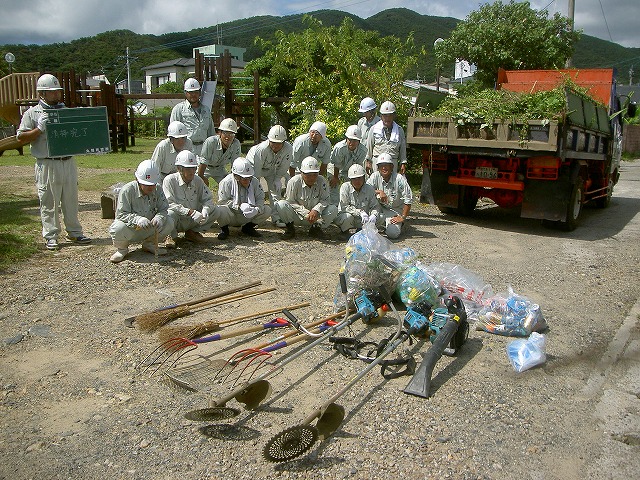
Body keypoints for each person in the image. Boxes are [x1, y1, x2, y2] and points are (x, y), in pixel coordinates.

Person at [16, 73, 91, 251]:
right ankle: (51, 235)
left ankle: (74, 231)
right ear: (42, 93)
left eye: (58, 91)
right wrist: (39, 129)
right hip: (47, 162)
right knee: (49, 200)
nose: (57, 95)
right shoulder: (32, 113)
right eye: (52, 92)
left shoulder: (64, 111)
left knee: (71, 199)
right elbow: (21, 138)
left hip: (68, 161)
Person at [108, 160, 174, 263]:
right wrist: (137, 219)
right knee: (117, 227)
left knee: (169, 221)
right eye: (146, 184)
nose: (150, 187)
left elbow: (163, 209)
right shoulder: (127, 190)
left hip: (150, 227)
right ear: (137, 180)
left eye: (153, 184)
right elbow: (121, 214)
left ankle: (150, 244)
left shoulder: (158, 189)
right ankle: (122, 249)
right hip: (131, 228)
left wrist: (159, 218)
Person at [162, 150, 220, 246]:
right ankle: (170, 236)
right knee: (169, 213)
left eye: (194, 168)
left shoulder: (198, 180)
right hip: (178, 219)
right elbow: (168, 204)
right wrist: (190, 212)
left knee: (216, 211)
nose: (192, 172)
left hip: (193, 219)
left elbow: (208, 199)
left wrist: (205, 210)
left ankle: (192, 233)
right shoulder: (169, 181)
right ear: (179, 169)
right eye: (188, 169)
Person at [275, 157, 337, 240]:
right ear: (301, 173)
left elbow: (325, 200)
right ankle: (290, 228)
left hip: (315, 217)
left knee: (333, 209)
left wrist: (316, 210)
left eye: (314, 174)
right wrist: (306, 213)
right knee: (281, 204)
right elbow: (290, 201)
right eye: (308, 175)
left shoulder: (322, 181)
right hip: (297, 215)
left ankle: (315, 229)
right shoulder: (293, 181)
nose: (311, 178)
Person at [246, 125, 292, 227]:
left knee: (275, 192)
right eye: (273, 143)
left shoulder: (288, 149)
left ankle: (277, 217)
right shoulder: (261, 149)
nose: (275, 146)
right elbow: (257, 172)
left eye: (278, 143)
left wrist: (277, 179)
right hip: (253, 167)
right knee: (252, 192)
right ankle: (252, 218)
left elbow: (284, 165)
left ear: (283, 142)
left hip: (271, 169)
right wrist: (256, 185)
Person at [216, 157, 272, 239]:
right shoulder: (227, 182)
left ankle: (248, 227)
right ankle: (224, 229)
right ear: (236, 176)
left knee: (267, 210)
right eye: (244, 178)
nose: (247, 181)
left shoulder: (254, 181)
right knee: (220, 209)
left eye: (249, 177)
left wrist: (257, 209)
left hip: (248, 215)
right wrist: (238, 206)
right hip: (232, 215)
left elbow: (260, 197)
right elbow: (222, 201)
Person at [366, 153, 412, 239]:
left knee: (393, 234)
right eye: (381, 166)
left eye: (386, 165)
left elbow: (408, 199)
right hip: (379, 209)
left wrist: (403, 217)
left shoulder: (399, 179)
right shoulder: (374, 176)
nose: (384, 168)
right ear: (378, 167)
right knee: (365, 223)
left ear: (392, 167)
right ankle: (382, 224)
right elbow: (365, 190)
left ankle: (399, 224)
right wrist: (378, 191)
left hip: (394, 211)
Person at [335, 164, 380, 239]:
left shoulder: (370, 189)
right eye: (354, 179)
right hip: (349, 217)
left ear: (364, 178)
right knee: (347, 217)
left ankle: (362, 231)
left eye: (359, 178)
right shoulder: (345, 187)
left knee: (380, 217)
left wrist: (374, 215)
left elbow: (375, 206)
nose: (357, 181)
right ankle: (345, 231)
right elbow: (344, 207)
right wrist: (360, 212)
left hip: (363, 220)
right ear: (350, 179)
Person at [170, 78, 214, 155]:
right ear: (185, 93)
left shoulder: (206, 110)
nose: (193, 95)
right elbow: (173, 133)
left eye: (196, 92)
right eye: (190, 92)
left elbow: (211, 132)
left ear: (200, 92)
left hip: (204, 149)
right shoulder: (178, 109)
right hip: (186, 149)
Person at [365, 100, 408, 176]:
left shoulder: (399, 130)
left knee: (391, 185)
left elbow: (402, 148)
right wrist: (368, 161)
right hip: (377, 162)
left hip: (392, 162)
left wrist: (403, 163)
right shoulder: (374, 129)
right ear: (381, 116)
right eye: (385, 115)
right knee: (376, 185)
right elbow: (369, 146)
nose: (387, 118)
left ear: (394, 116)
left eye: (390, 115)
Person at [328, 125, 367, 205]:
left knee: (354, 186)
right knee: (334, 187)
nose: (352, 143)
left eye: (355, 140)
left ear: (359, 141)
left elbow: (357, 167)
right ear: (346, 139)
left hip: (351, 169)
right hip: (335, 168)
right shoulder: (339, 147)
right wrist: (335, 177)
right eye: (350, 140)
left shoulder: (363, 150)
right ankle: (334, 206)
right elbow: (336, 163)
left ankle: (352, 204)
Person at [197, 118, 241, 187]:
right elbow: (203, 161)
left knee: (230, 185)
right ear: (220, 133)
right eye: (225, 133)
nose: (228, 137)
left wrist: (233, 181)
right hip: (206, 168)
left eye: (231, 134)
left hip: (220, 169)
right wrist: (202, 177)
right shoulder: (211, 142)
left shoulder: (236, 144)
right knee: (198, 185)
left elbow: (235, 164)